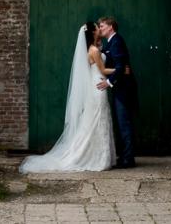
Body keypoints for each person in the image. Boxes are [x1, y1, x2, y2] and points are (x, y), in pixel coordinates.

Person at [19, 23, 116, 172]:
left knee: (96, 121)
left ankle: (98, 155)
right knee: (98, 120)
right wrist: (120, 70)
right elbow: (102, 70)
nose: (99, 29)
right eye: (97, 27)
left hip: (95, 85)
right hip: (98, 86)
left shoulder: (93, 48)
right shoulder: (94, 50)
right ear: (91, 32)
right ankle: (97, 158)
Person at [95, 16, 135, 168]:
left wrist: (109, 82)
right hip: (119, 89)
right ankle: (125, 156)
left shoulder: (117, 41)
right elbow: (113, 62)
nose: (100, 28)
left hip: (123, 89)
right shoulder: (110, 43)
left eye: (103, 26)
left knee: (124, 123)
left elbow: (120, 66)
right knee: (122, 122)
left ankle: (128, 159)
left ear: (111, 27)